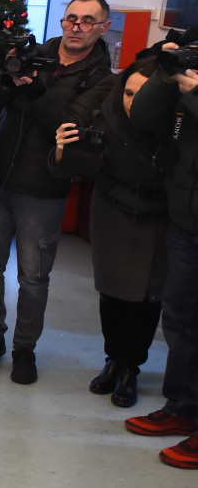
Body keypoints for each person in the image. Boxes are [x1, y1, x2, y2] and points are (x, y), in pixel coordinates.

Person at [0, 0, 113, 384]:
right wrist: (8, 79)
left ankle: (24, 349)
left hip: (44, 188)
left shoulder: (102, 79)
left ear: (103, 27)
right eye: (71, 18)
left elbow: (68, 126)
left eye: (87, 21)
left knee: (33, 278)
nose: (76, 27)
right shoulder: (34, 55)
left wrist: (33, 89)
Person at [49, 57, 167, 408]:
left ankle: (131, 367)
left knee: (147, 297)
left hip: (158, 218)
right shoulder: (106, 118)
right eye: (128, 93)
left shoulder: (175, 127)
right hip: (113, 213)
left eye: (143, 94)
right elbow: (77, 167)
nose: (133, 102)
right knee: (113, 292)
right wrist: (62, 150)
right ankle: (114, 359)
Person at [123, 42, 198, 469]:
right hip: (185, 220)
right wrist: (167, 71)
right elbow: (144, 116)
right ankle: (182, 407)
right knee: (180, 321)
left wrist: (195, 94)